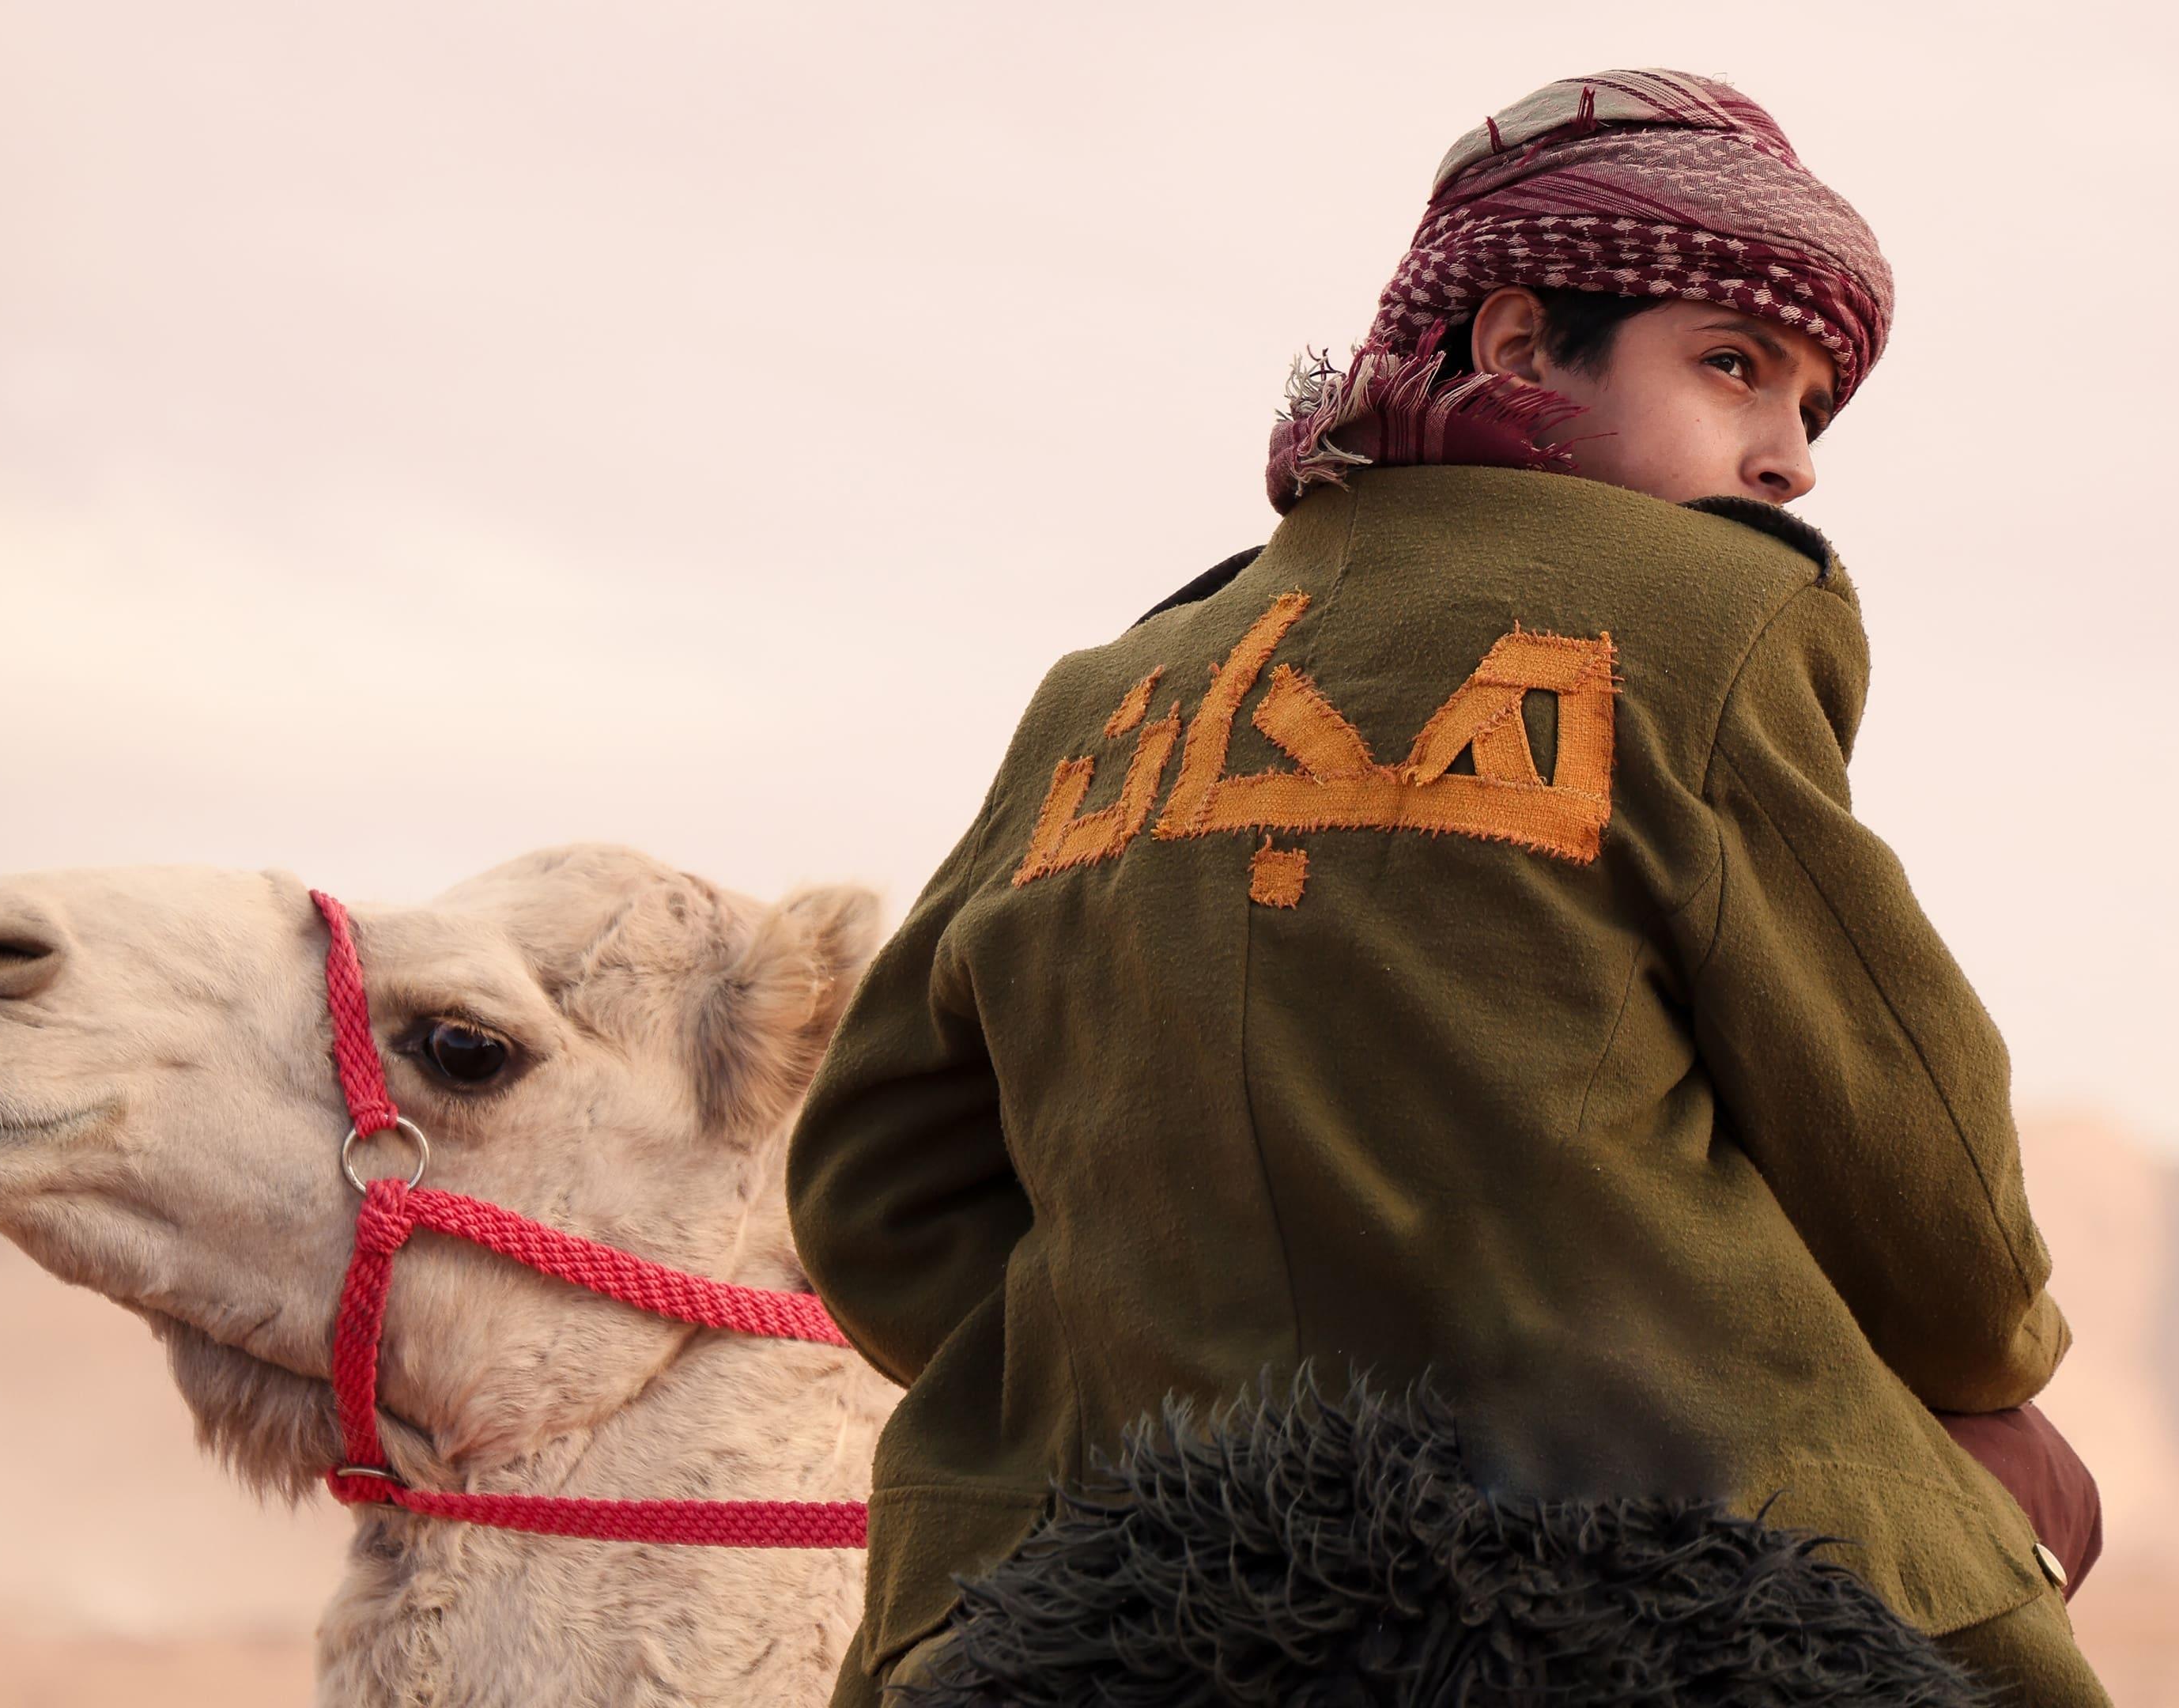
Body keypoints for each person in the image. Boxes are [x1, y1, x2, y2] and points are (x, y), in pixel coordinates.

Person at [788, 68, 2111, 1706]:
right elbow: (1922, 1184)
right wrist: (1994, 1386)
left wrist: (1159, 1388)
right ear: (1511, 343)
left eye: (1813, 407)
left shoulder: (1104, 693)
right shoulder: (1703, 617)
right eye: (1734, 367)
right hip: (1656, 1533)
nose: (1790, 461)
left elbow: (871, 1182)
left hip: (1109, 1552)